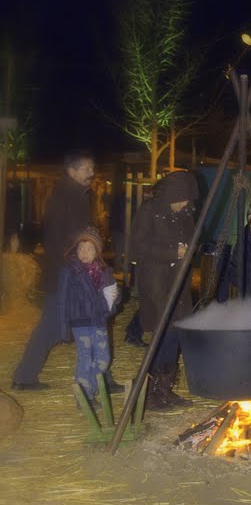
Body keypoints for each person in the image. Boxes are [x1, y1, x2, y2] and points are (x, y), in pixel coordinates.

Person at [12, 151, 123, 393]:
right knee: (54, 326)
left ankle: (102, 378)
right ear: (72, 170)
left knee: (94, 322)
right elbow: (66, 239)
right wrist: (78, 266)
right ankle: (24, 376)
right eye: (86, 168)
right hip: (67, 276)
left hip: (71, 272)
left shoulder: (74, 195)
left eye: (92, 168)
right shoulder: (67, 198)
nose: (91, 173)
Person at [130, 170, 199, 411]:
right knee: (163, 334)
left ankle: (164, 389)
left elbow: (192, 240)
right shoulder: (149, 211)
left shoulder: (185, 214)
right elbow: (137, 247)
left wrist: (191, 250)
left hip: (178, 283)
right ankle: (150, 393)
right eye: (182, 198)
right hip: (157, 283)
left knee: (174, 334)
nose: (185, 203)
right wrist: (172, 252)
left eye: (188, 199)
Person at [57, 227, 118, 401]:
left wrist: (114, 301)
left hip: (98, 320)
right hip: (80, 321)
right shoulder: (70, 271)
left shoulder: (105, 272)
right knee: (85, 358)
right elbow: (62, 301)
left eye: (90, 249)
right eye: (81, 248)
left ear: (97, 252)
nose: (85, 252)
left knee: (103, 359)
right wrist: (63, 330)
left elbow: (111, 300)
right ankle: (85, 398)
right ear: (76, 250)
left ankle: (88, 389)